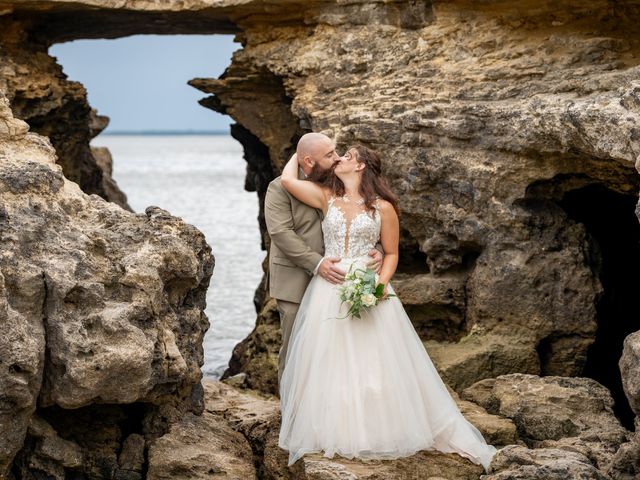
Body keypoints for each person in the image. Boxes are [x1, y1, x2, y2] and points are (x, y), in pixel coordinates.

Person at [277, 141, 498, 471]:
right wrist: (301, 148)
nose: (338, 159)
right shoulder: (326, 197)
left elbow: (391, 253)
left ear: (361, 166)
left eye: (346, 156)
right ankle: (333, 427)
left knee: (373, 360)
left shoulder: (383, 208)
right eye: (336, 155)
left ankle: (378, 427)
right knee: (328, 359)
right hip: (329, 287)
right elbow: (286, 180)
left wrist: (379, 285)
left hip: (369, 285)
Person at [264, 133, 383, 387]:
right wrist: (318, 264)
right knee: (295, 348)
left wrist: (378, 250)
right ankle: (291, 414)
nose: (337, 158)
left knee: (337, 350)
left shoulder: (339, 183)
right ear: (308, 161)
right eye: (329, 155)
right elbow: (280, 233)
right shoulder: (279, 188)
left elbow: (365, 219)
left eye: (336, 151)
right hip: (295, 281)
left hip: (338, 283)